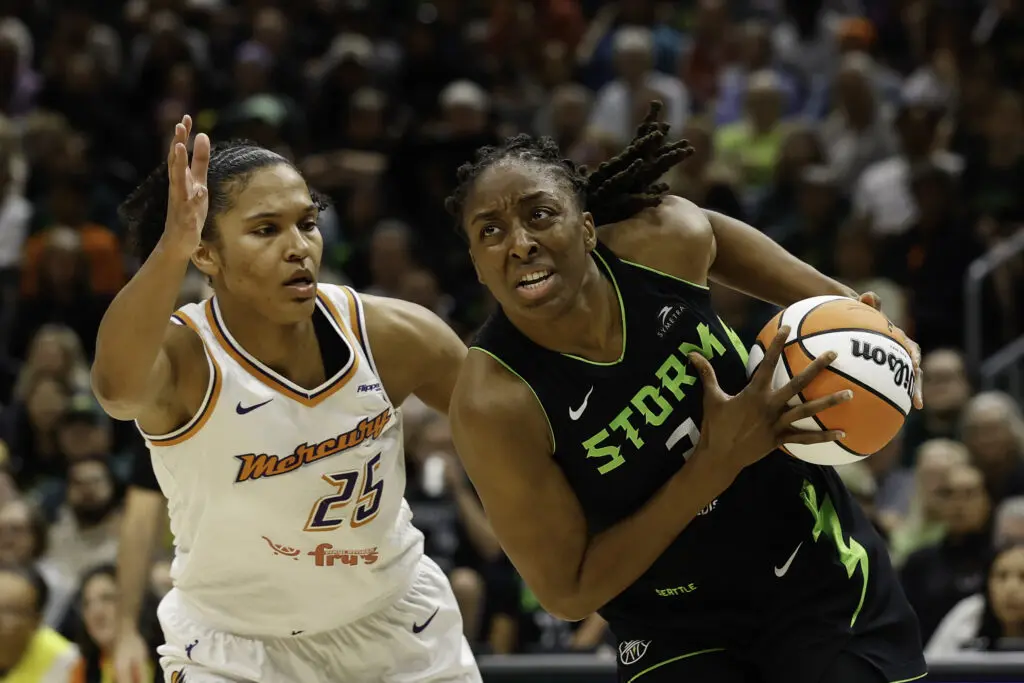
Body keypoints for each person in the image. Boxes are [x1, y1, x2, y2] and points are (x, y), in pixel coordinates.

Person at [447, 103, 927, 683]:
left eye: (540, 214)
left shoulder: (659, 241)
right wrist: (713, 465)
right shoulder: (495, 401)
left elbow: (714, 235)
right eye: (490, 231)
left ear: (588, 227)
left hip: (812, 566)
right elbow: (568, 592)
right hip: (672, 624)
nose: (520, 243)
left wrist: (855, 315)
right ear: (477, 263)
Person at [91, 116, 478, 683]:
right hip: (236, 652)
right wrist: (171, 249)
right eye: (266, 230)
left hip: (399, 627)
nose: (298, 247)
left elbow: (511, 424)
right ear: (205, 254)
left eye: (307, 223)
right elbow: (116, 391)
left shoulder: (391, 334)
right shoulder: (187, 358)